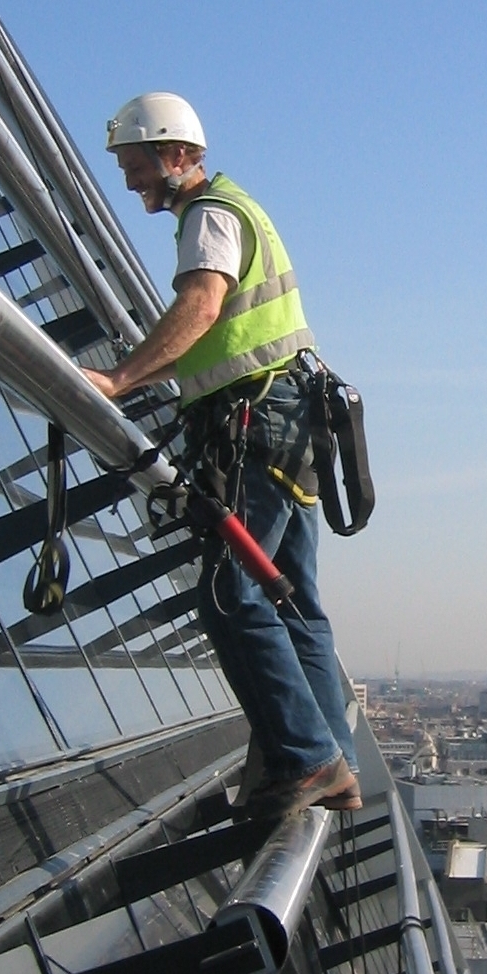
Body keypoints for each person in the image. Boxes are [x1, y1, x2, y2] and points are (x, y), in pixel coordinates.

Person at [82, 93, 360, 818]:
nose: (130, 180)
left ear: (177, 153)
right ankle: (334, 760)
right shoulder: (237, 209)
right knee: (290, 597)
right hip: (291, 422)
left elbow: (202, 306)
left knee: (232, 594)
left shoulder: (209, 217)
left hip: (258, 421)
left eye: (136, 164)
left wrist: (118, 380)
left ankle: (308, 760)